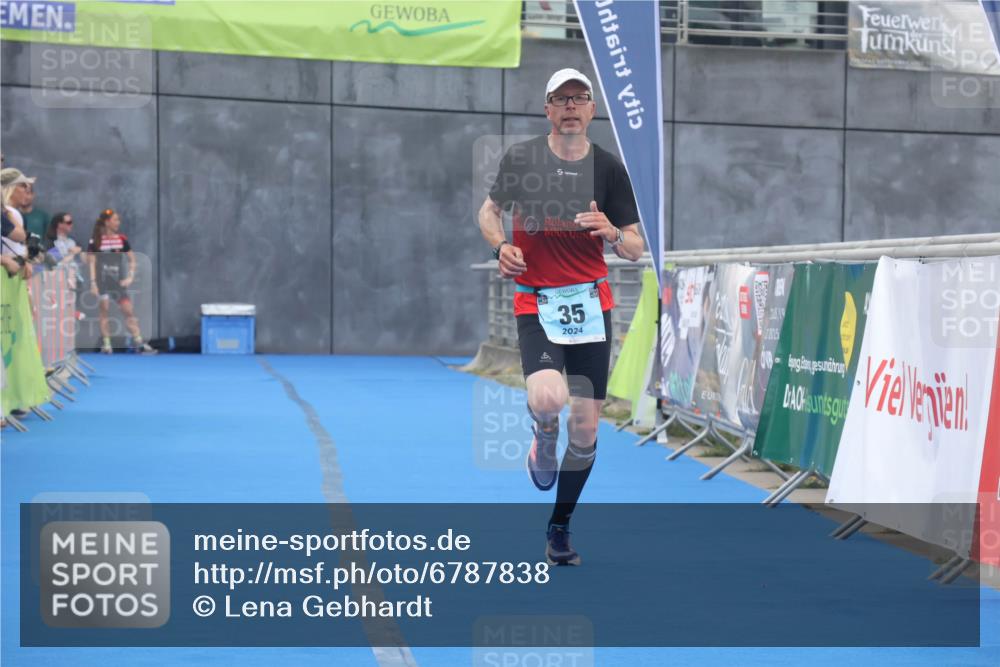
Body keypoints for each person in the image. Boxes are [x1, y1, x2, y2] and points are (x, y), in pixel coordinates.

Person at [478, 68, 645, 565]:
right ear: (548, 109)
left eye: (580, 98)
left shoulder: (610, 169)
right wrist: (500, 246)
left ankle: (560, 524)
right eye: (560, 98)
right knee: (549, 397)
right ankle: (543, 432)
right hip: (538, 301)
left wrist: (612, 232)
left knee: (589, 431)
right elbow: (489, 212)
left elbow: (636, 247)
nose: (571, 106)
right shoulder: (522, 159)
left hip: (592, 305)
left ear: (592, 110)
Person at [86, 208, 157, 355]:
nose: (118, 222)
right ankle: (107, 345)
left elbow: (132, 259)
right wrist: (93, 283)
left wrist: (130, 277)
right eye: (115, 220)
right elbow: (91, 263)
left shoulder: (122, 239)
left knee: (128, 311)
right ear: (107, 222)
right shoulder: (95, 241)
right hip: (102, 282)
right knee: (104, 310)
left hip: (117, 283)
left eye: (118, 220)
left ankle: (139, 342)